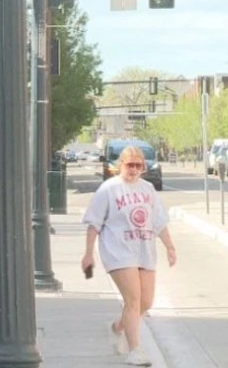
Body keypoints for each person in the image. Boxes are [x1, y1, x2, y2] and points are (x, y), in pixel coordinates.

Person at [81, 145, 177, 367]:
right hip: (118, 250)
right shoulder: (109, 189)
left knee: (146, 302)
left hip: (144, 249)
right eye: (129, 164)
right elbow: (94, 223)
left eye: (138, 165)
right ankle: (135, 350)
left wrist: (170, 247)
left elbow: (159, 222)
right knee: (133, 300)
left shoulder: (148, 189)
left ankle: (118, 327)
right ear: (120, 165)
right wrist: (88, 253)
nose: (134, 169)